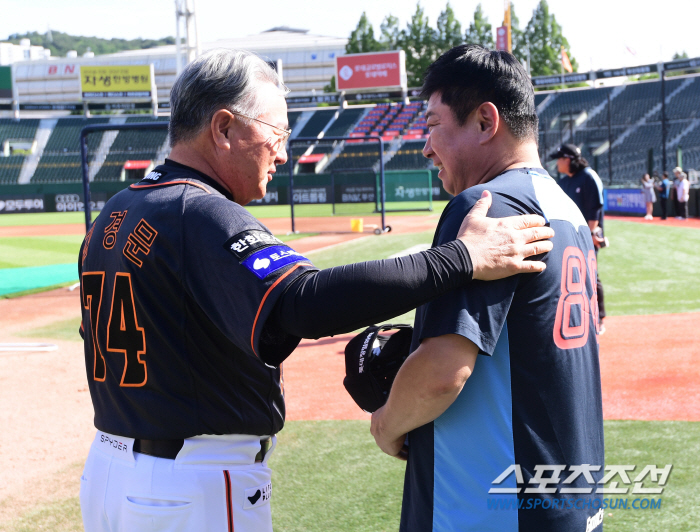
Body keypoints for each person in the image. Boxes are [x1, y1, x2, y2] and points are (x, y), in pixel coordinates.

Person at [77, 49, 554, 532]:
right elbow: (303, 303)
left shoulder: (115, 212)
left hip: (110, 474)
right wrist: (462, 258)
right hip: (188, 484)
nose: (283, 153)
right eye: (277, 133)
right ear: (223, 128)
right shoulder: (198, 211)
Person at [370, 45, 603, 532]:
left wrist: (386, 423)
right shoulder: (568, 209)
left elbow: (442, 371)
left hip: (488, 510)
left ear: (484, 121)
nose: (426, 146)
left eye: (433, 125)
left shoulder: (483, 207)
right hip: (566, 499)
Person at [551, 143, 607, 333]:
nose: (556, 163)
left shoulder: (588, 177)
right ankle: (577, 317)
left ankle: (599, 319)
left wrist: (590, 235)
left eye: (559, 159)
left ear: (567, 159)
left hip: (586, 238)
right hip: (567, 237)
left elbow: (595, 210)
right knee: (569, 278)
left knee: (590, 277)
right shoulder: (564, 182)